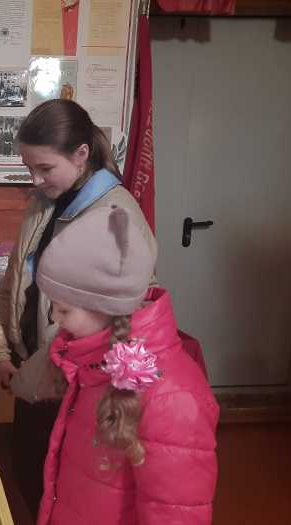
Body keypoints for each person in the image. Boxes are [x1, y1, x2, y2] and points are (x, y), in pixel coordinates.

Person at [0, 98, 156, 516]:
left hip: (73, 386)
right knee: (27, 477)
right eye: (29, 168)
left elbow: (128, 319)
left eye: (45, 168)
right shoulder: (42, 202)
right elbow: (12, 283)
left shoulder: (117, 216)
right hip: (30, 375)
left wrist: (32, 377)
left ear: (81, 154)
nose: (35, 179)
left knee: (60, 494)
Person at [35, 205, 218, 524]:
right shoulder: (92, 364)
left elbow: (175, 512)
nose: (54, 318)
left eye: (63, 310)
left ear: (106, 307)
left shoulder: (173, 396)